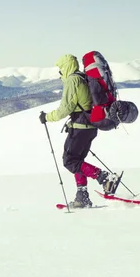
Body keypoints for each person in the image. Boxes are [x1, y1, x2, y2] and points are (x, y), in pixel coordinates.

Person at [39, 54, 118, 208]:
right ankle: (82, 197)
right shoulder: (82, 77)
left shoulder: (72, 80)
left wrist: (47, 117)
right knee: (78, 162)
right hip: (90, 127)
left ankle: (104, 178)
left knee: (69, 161)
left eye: (60, 68)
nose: (60, 72)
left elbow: (65, 109)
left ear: (66, 66)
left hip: (80, 128)